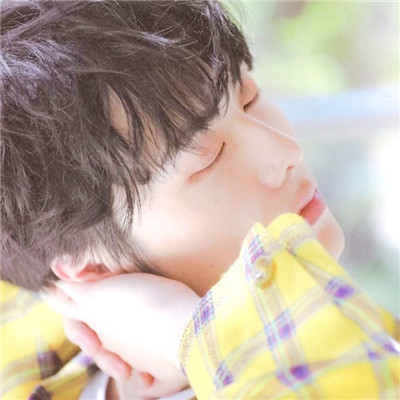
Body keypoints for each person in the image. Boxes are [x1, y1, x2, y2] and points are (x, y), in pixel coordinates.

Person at [1, 0, 398, 399]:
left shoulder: (365, 336)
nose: (286, 152)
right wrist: (188, 334)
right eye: (210, 158)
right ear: (90, 267)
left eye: (251, 99)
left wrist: (190, 336)